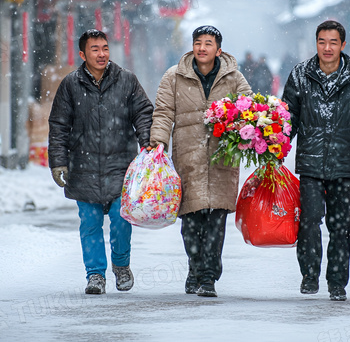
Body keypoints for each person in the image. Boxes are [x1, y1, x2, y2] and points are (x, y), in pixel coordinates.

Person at [282, 20, 350, 302]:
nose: (327, 48)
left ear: (343, 45)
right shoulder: (300, 76)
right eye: (322, 42)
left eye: (333, 42)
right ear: (315, 43)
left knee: (341, 226)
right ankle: (309, 275)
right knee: (308, 221)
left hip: (345, 164)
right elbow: (288, 118)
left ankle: (337, 282)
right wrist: (276, 150)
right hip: (310, 163)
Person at [48, 29, 154, 295]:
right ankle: (95, 274)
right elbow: (59, 126)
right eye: (95, 49)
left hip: (121, 166)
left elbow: (143, 113)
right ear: (83, 54)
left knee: (121, 219)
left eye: (105, 48)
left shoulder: (127, 80)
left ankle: (120, 266)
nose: (101, 54)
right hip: (83, 167)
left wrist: (148, 144)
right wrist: (58, 161)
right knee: (90, 223)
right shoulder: (71, 84)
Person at [150, 25, 251, 298]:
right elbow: (162, 112)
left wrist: (245, 127)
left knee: (216, 220)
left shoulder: (234, 78)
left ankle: (208, 276)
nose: (202, 48)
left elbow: (250, 108)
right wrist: (158, 142)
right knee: (191, 221)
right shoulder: (174, 76)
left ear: (218, 50)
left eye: (208, 43)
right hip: (188, 156)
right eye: (198, 42)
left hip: (222, 157)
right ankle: (195, 268)